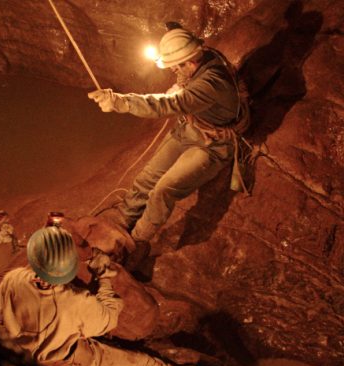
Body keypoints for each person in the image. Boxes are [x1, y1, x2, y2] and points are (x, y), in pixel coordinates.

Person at [88, 23, 249, 265]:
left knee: (164, 189)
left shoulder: (211, 83)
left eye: (175, 66)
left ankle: (137, 240)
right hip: (190, 127)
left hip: (212, 145)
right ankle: (123, 218)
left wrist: (120, 102)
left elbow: (168, 104)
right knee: (147, 177)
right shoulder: (204, 57)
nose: (173, 70)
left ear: (190, 62)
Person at [0, 224, 205, 366]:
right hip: (65, 362)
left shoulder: (14, 278)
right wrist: (103, 278)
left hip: (24, 354)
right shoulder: (73, 302)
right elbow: (109, 317)